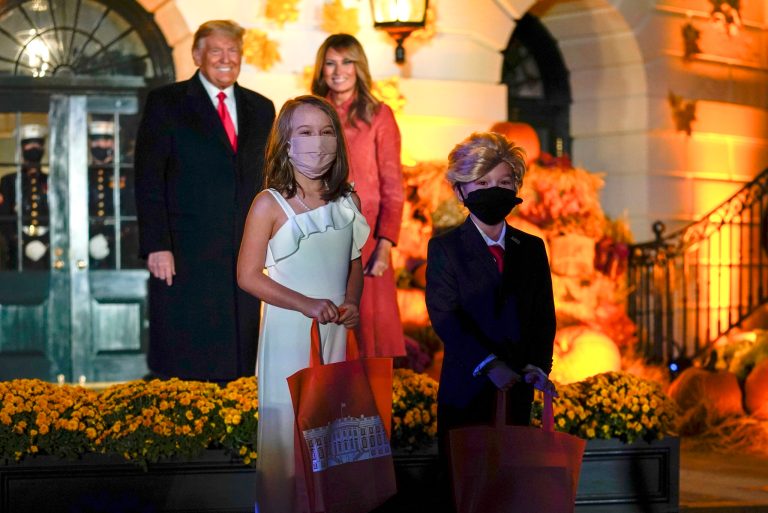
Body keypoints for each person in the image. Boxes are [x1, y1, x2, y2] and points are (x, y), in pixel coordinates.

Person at [236, 95, 369, 513]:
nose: (318, 142)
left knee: (332, 431)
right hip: (291, 332)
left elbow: (355, 262)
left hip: (334, 333)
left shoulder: (348, 201)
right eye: (306, 132)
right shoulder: (268, 204)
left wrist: (352, 301)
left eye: (326, 131)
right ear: (286, 143)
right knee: (287, 432)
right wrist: (305, 304)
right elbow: (248, 276)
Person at [135, 20, 275, 382]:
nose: (226, 59)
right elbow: (148, 179)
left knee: (240, 351)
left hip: (244, 254)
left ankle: (234, 423)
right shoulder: (166, 103)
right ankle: (189, 430)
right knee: (186, 351)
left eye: (234, 51)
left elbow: (272, 179)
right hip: (184, 255)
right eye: (217, 50)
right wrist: (157, 245)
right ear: (197, 55)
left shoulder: (262, 108)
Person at [425, 132, 557, 511]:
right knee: (466, 487)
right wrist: (488, 364)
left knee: (511, 485)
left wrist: (536, 365)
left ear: (517, 187)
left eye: (504, 182)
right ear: (460, 190)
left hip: (517, 388)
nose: (493, 190)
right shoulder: (446, 248)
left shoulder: (531, 248)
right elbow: (446, 317)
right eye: (482, 183)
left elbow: (542, 316)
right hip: (465, 388)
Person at [311, 33, 406, 358]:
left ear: (358, 66)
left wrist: (385, 245)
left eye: (347, 62)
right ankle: (324, 406)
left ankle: (371, 408)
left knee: (370, 338)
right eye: (331, 63)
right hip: (318, 233)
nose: (339, 71)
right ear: (321, 69)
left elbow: (393, 185)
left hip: (366, 241)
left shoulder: (379, 115)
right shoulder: (311, 112)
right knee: (324, 331)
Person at [88, 120, 141, 270]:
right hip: (87, 244)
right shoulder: (83, 174)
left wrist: (110, 238)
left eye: (106, 140)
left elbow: (133, 213)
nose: (101, 145)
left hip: (121, 246)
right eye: (96, 140)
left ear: (113, 143)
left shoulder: (126, 174)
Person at [0, 123, 50, 271]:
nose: (33, 147)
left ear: (43, 148)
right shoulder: (9, 181)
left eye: (37, 143)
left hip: (47, 249)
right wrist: (21, 242)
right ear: (22, 148)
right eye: (29, 144)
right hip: (17, 250)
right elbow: (3, 216)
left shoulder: (51, 180)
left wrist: (46, 243)